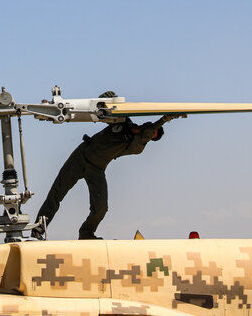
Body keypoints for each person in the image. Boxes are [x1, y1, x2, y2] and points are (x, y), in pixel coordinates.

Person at [32, 91, 183, 240]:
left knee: (101, 208)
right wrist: (111, 99)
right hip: (80, 157)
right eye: (148, 125)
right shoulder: (122, 120)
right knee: (56, 193)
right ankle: (38, 228)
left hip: (96, 169)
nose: (147, 128)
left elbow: (147, 133)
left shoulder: (136, 146)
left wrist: (164, 120)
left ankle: (86, 233)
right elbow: (104, 102)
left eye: (151, 133)